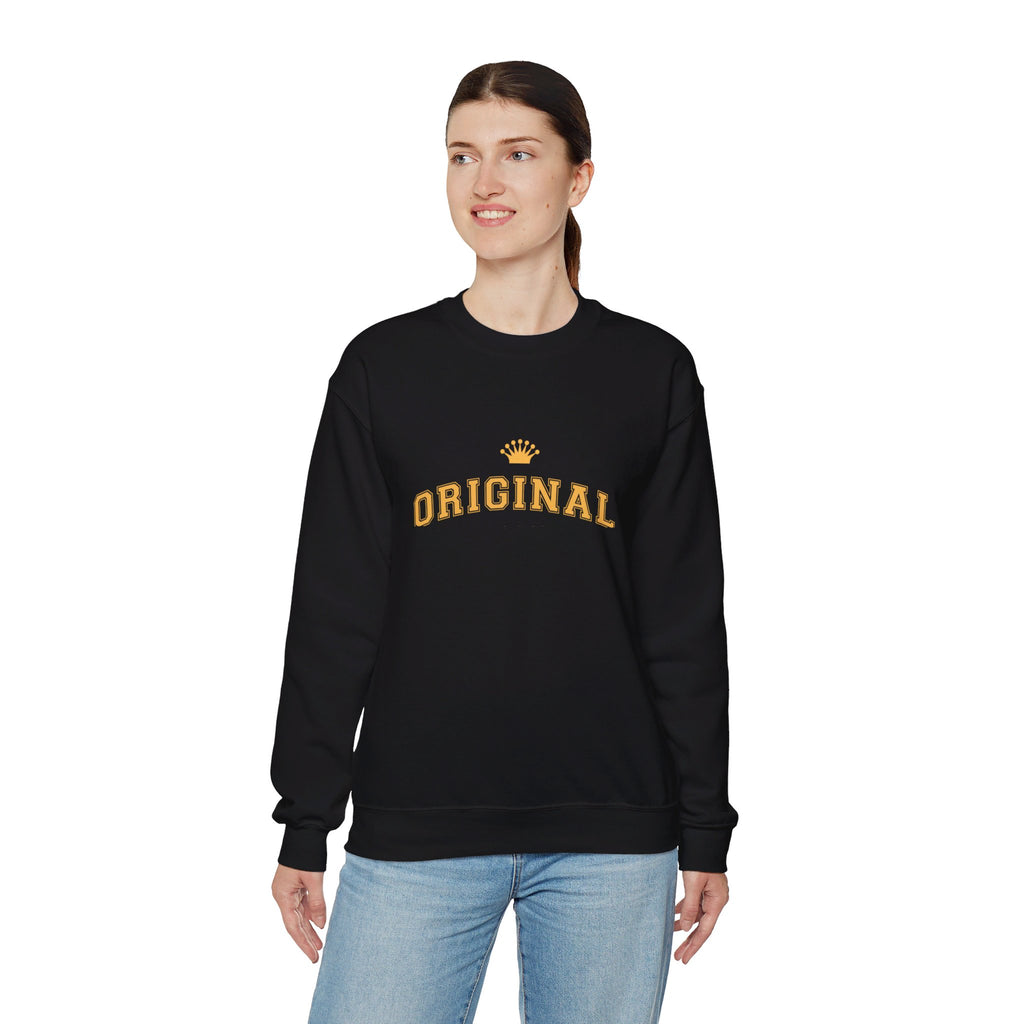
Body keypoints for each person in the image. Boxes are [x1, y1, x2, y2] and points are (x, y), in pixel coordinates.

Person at [269, 60, 739, 1024]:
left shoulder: (650, 372)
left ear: (579, 177)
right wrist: (306, 817)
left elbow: (684, 619)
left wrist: (705, 830)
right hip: (416, 824)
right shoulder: (383, 369)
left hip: (613, 835)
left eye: (518, 154)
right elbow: (335, 610)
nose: (484, 182)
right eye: (462, 156)